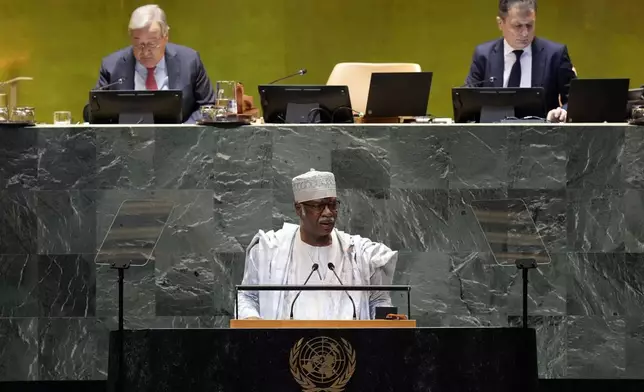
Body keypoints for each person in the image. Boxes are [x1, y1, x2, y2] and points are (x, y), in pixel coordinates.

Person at [238, 169, 398, 320]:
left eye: (333, 205)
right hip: (286, 347)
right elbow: (247, 297)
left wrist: (386, 320)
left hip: (348, 347)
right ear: (299, 209)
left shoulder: (360, 254)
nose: (328, 213)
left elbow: (379, 300)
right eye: (319, 206)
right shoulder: (268, 250)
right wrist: (251, 321)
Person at [84, 4, 215, 123]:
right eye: (138, 44)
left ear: (165, 36)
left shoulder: (189, 61)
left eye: (152, 44)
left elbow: (208, 106)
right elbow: (90, 112)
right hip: (127, 143)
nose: (145, 52)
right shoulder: (111, 66)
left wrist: (181, 132)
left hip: (182, 144)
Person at [464, 0, 576, 122]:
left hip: (544, 135)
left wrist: (563, 111)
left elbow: (575, 100)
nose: (525, 33)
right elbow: (466, 102)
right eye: (518, 26)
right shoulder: (483, 55)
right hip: (493, 136)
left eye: (529, 25)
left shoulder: (555, 55)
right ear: (500, 23)